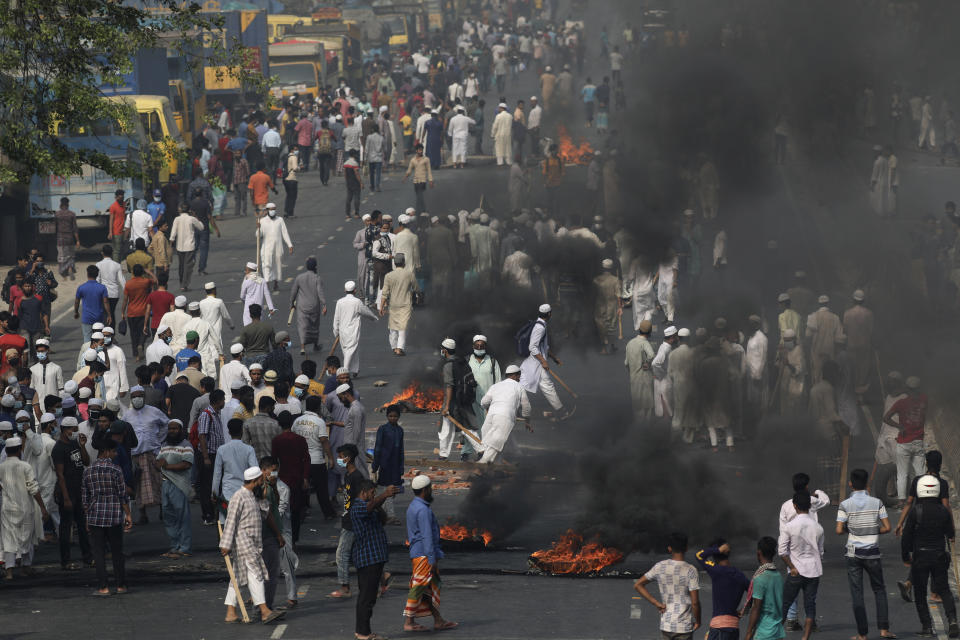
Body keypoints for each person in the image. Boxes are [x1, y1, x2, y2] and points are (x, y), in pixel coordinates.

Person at [219, 466, 286, 625]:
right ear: (255, 481)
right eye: (261, 481)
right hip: (243, 541)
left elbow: (266, 510)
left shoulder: (253, 496)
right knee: (256, 574)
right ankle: (264, 611)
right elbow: (231, 521)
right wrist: (226, 544)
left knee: (238, 577)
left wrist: (265, 494)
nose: (262, 483)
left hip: (254, 543)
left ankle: (230, 612)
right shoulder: (239, 496)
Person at [836, 468, 895, 640]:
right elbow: (888, 527)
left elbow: (839, 530)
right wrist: (873, 530)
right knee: (879, 590)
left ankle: (862, 634)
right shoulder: (877, 502)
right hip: (873, 554)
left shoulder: (845, 504)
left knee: (857, 593)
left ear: (850, 484)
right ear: (867, 483)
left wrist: (852, 528)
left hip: (853, 554)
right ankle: (884, 629)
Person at [402, 474, 457, 632]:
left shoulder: (413, 506)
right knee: (419, 587)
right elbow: (427, 536)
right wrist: (432, 558)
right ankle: (409, 622)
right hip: (424, 555)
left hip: (419, 553)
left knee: (430, 587)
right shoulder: (423, 510)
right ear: (425, 490)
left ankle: (438, 620)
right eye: (430, 488)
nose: (431, 491)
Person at [82, 438, 133, 595]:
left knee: (98, 553)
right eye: (114, 451)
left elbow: (85, 499)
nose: (115, 454)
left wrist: (87, 519)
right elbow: (122, 495)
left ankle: (103, 587)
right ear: (106, 452)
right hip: (114, 516)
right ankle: (120, 585)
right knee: (117, 552)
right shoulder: (116, 470)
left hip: (95, 516)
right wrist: (128, 515)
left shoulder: (88, 470)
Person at [352, 478, 398, 640]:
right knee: (366, 597)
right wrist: (384, 495)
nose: (374, 495)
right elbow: (367, 508)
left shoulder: (372, 507)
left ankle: (363, 631)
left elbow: (383, 520)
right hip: (367, 559)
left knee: (370, 597)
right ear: (363, 492)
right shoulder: (357, 507)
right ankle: (363, 632)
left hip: (376, 558)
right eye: (372, 493)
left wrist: (379, 504)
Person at [634, 531, 701, 640]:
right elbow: (695, 603)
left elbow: (638, 585)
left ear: (669, 549)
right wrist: (698, 621)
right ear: (686, 548)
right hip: (683, 627)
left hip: (666, 625)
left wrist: (656, 603)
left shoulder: (660, 566)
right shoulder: (691, 570)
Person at [0, 435, 50, 579]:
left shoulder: (1, 467)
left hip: (7, 509)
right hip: (25, 508)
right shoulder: (25, 466)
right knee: (26, 537)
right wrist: (43, 507)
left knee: (8, 539)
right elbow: (34, 489)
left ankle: (9, 572)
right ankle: (25, 567)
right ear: (19, 451)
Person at [778, 491, 824, 640]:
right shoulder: (818, 528)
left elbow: (782, 551)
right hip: (813, 571)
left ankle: (776, 635)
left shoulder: (789, 526)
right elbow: (821, 551)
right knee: (810, 606)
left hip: (796, 572)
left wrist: (791, 567)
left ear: (795, 506)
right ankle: (805, 637)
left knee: (784, 605)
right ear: (810, 505)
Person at [52, 416, 92, 569]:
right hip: (67, 491)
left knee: (82, 525)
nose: (74, 432)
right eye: (72, 429)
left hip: (79, 490)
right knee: (66, 527)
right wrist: (66, 497)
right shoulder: (59, 449)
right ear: (64, 430)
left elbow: (86, 462)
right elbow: (60, 474)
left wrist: (82, 446)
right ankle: (65, 561)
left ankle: (87, 557)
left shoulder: (76, 443)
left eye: (76, 429)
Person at [882, 376, 927, 505]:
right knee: (920, 472)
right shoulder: (924, 399)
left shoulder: (901, 403)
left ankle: (902, 500)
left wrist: (899, 426)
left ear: (907, 388)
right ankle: (922, 498)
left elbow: (886, 418)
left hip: (904, 441)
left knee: (902, 473)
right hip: (918, 441)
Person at [519, 304, 568, 419]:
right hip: (536, 362)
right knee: (546, 386)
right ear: (549, 314)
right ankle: (561, 411)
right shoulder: (540, 328)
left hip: (535, 361)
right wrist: (543, 361)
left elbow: (543, 347)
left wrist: (553, 357)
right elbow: (533, 347)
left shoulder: (541, 324)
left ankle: (516, 408)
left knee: (521, 383)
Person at [693, 539, 749, 640]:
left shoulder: (716, 570)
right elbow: (754, 592)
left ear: (715, 556)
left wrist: (717, 550)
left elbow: (698, 555)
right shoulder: (740, 575)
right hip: (734, 627)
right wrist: (744, 610)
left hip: (719, 628)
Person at [477, 364, 531, 464]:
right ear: (516, 375)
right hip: (505, 417)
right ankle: (480, 467)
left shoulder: (495, 386)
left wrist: (488, 409)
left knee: (496, 444)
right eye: (519, 375)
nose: (519, 378)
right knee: (495, 444)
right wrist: (527, 421)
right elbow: (526, 407)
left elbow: (484, 402)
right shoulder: (519, 387)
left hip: (491, 416)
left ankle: (496, 468)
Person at [292, 395, 335, 520]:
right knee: (321, 488)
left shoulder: (297, 421)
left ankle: (301, 513)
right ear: (318, 407)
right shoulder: (319, 422)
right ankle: (328, 513)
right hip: (316, 460)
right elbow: (324, 440)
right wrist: (330, 458)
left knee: (302, 488)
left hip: (301, 461)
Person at [270, 410, 309, 543]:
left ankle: (284, 536)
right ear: (292, 423)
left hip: (283, 478)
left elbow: (274, 461)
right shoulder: (300, 439)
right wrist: (305, 477)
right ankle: (294, 538)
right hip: (297, 478)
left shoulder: (277, 440)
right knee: (296, 510)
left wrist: (273, 478)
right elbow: (306, 459)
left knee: (283, 509)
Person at [156, 419, 193, 557]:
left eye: (175, 429)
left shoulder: (186, 445)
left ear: (181, 430)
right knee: (168, 516)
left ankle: (184, 548)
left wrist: (167, 466)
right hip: (166, 483)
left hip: (179, 484)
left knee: (182, 516)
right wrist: (159, 464)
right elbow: (158, 462)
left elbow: (186, 464)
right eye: (170, 429)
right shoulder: (164, 445)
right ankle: (174, 546)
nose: (172, 431)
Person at [332, 281, 378, 377]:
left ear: (345, 290)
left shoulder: (340, 302)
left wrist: (335, 330)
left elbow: (336, 318)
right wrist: (374, 318)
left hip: (342, 330)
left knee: (350, 350)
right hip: (352, 331)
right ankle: (344, 371)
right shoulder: (356, 302)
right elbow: (366, 312)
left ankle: (355, 369)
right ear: (355, 290)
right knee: (350, 350)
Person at [742, 537, 784, 640]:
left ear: (759, 553)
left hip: (764, 632)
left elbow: (756, 608)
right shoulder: (778, 576)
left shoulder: (760, 578)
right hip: (778, 631)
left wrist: (748, 633)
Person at [379, 253, 417, 356]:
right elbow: (416, 287)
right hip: (405, 305)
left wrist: (381, 307)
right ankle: (400, 348)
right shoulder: (409, 274)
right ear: (404, 263)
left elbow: (384, 293)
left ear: (395, 263)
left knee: (393, 327)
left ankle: (394, 347)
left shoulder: (389, 276)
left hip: (393, 305)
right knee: (403, 327)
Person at [372, 404, 404, 521]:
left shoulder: (400, 431)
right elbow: (378, 447)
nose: (393, 418)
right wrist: (375, 464)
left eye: (395, 416)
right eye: (390, 416)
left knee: (393, 489)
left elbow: (401, 449)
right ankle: (390, 515)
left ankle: (382, 511)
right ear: (387, 416)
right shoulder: (383, 429)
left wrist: (401, 466)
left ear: (399, 417)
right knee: (386, 488)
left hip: (395, 464)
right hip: (385, 463)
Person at [290, 257, 326, 356]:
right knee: (314, 325)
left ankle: (302, 348)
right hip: (314, 306)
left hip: (302, 306)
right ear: (315, 267)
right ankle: (315, 345)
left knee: (303, 326)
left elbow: (293, 292)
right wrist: (324, 304)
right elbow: (320, 292)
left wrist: (292, 303)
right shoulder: (317, 278)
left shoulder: (299, 277)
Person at [257, 204, 293, 292]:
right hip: (267, 249)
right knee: (266, 265)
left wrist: (290, 245)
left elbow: (284, 232)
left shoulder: (280, 220)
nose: (272, 211)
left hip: (278, 248)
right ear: (267, 210)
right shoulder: (262, 221)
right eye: (271, 209)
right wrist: (258, 228)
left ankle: (276, 283)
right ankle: (267, 284)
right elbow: (258, 235)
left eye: (274, 209)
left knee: (277, 266)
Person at [169, 205, 204, 292]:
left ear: (180, 210)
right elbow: (201, 227)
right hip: (189, 246)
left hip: (179, 246)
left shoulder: (177, 219)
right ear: (189, 211)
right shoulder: (192, 219)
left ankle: (182, 282)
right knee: (188, 266)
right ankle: (184, 285)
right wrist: (196, 216)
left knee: (181, 265)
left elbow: (173, 232)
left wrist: (171, 243)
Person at [74, 265, 110, 342]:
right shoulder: (102, 287)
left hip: (87, 318)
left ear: (87, 274)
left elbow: (77, 301)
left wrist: (76, 312)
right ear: (97, 275)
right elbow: (105, 302)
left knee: (87, 340)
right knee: (99, 340)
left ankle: (89, 353)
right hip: (99, 318)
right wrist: (109, 314)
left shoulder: (81, 287)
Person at [403, 144, 434, 214]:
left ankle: (420, 210)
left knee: (420, 196)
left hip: (423, 181)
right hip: (415, 181)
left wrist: (430, 180)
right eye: (419, 150)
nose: (421, 151)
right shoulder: (413, 160)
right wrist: (405, 177)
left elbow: (429, 171)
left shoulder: (426, 159)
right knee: (418, 196)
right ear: (416, 151)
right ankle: (422, 210)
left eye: (422, 150)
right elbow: (409, 170)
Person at [55, 197, 80, 280]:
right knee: (70, 255)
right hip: (70, 238)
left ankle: (64, 274)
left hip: (60, 238)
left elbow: (55, 227)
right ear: (68, 204)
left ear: (61, 204)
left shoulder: (57, 214)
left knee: (62, 255)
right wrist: (77, 241)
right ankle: (70, 268)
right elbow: (75, 228)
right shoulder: (72, 214)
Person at [343, 150, 363, 220]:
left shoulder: (345, 163)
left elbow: (345, 174)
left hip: (349, 183)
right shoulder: (355, 164)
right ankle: (356, 214)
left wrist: (347, 181)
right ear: (354, 155)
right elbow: (357, 174)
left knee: (349, 198)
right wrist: (361, 182)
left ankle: (347, 214)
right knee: (356, 198)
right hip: (355, 183)